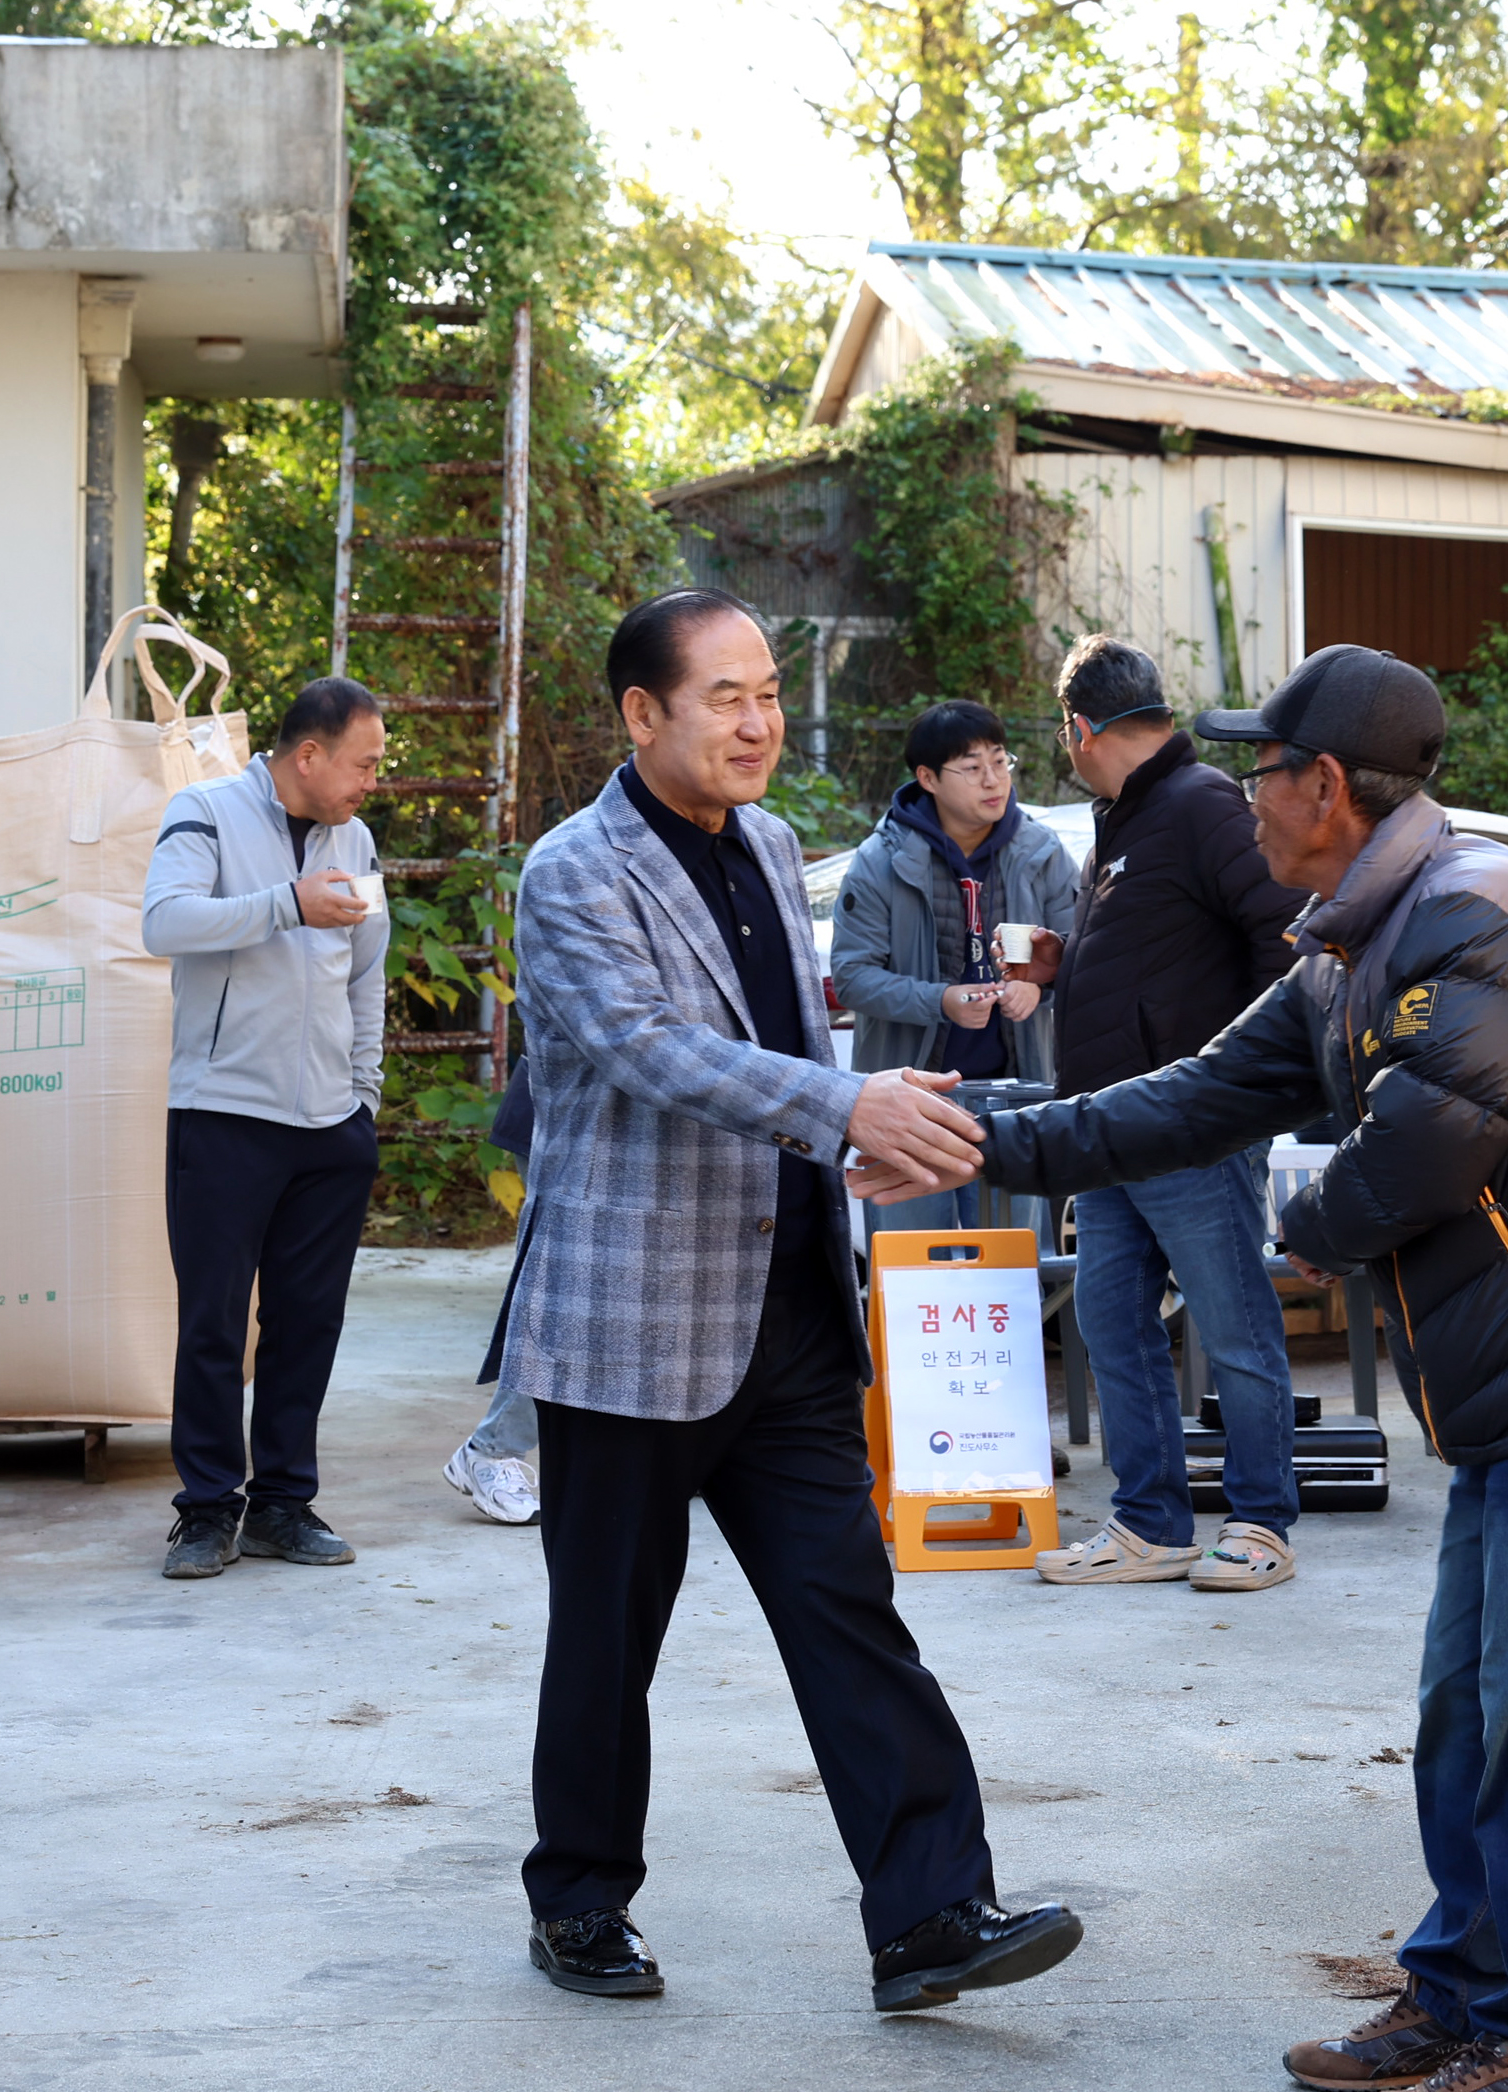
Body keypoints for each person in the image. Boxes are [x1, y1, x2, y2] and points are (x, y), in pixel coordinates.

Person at [964, 644, 1508, 2092]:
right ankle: (1455, 1995)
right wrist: (991, 1134)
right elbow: (1184, 1098)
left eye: (1259, 768)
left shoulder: (1472, 910)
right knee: (1459, 1718)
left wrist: (1301, 1225)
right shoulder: (1342, 944)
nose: (1241, 793)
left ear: (1325, 785)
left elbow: (1436, 1142)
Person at [498, 586, 1084, 2015]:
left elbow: (781, 1044)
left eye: (768, 691)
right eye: (725, 697)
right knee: (604, 1639)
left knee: (848, 1612)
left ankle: (932, 1913)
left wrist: (861, 1138)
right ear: (643, 715)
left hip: (792, 1311)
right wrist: (845, 1109)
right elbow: (653, 1052)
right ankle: (578, 1899)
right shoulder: (572, 874)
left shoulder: (765, 841)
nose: (758, 722)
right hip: (631, 1326)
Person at [1014, 636, 1312, 1594]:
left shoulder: (1201, 805)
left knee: (1232, 1325)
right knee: (1111, 1325)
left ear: (1080, 727)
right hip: (1108, 1130)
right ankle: (1150, 1522)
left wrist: (1240, 1086)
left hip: (1190, 1126)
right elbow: (1162, 955)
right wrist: (1073, 968)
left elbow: (1287, 943)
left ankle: (1261, 1521)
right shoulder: (1126, 819)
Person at [142, 677, 398, 1570]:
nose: (373, 779)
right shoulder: (204, 812)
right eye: (363, 762)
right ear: (308, 756)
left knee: (308, 1321)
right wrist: (287, 902)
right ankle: (207, 1509)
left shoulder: (357, 839)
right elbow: (165, 923)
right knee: (213, 1320)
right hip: (223, 1114)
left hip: (331, 1123)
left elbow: (366, 972)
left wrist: (363, 1098)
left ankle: (283, 1504)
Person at [826, 697, 1077, 1231]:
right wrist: (940, 1001)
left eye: (1000, 760)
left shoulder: (1041, 851)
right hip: (910, 1105)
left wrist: (1041, 989)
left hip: (1014, 1101)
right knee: (912, 1277)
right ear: (928, 778)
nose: (993, 780)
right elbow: (851, 976)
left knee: (1011, 1278)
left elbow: (1084, 950)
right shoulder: (882, 861)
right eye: (971, 767)